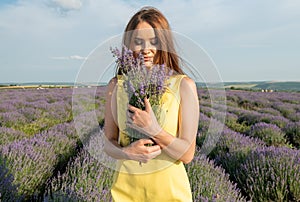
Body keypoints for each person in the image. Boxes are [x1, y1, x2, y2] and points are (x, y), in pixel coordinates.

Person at [104, 6, 199, 202]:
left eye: (153, 41)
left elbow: (187, 154)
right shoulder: (116, 86)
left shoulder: (183, 86)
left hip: (170, 193)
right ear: (129, 45)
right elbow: (107, 143)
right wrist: (126, 152)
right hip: (125, 192)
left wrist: (153, 129)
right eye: (138, 42)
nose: (146, 49)